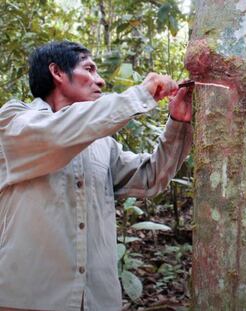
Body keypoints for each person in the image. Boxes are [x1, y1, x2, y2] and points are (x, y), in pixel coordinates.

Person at [0, 41, 193, 311]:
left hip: (97, 302)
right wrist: (140, 95)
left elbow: (151, 176)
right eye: (89, 69)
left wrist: (178, 123)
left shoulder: (102, 144)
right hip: (27, 300)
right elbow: (57, 134)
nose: (99, 81)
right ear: (57, 73)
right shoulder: (14, 122)